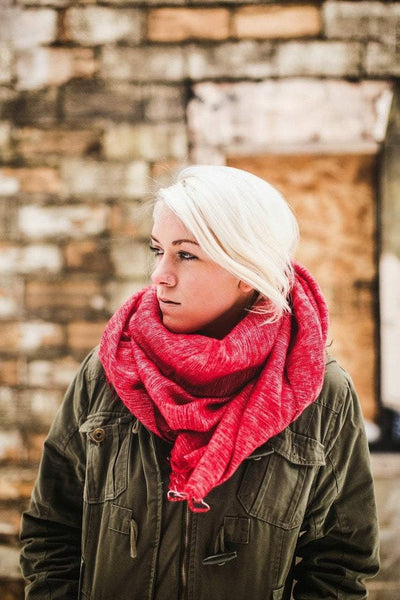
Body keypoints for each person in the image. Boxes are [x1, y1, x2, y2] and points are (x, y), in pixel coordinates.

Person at [20, 165, 379, 599]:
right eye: (157, 250)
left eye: (185, 255)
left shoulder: (319, 392)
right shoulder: (111, 368)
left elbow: (340, 561)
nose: (160, 274)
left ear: (247, 268)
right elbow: (51, 531)